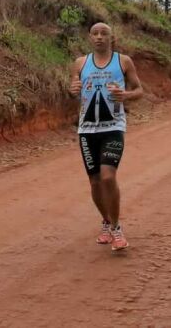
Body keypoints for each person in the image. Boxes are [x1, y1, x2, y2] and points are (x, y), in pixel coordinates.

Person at [69, 22, 144, 251]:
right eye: (95, 34)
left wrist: (126, 95)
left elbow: (139, 90)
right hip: (87, 130)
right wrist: (71, 91)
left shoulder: (123, 62)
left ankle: (117, 228)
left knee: (108, 177)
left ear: (112, 37)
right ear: (90, 37)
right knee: (94, 182)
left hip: (113, 127)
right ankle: (106, 222)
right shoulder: (80, 63)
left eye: (104, 34)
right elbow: (75, 91)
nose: (99, 37)